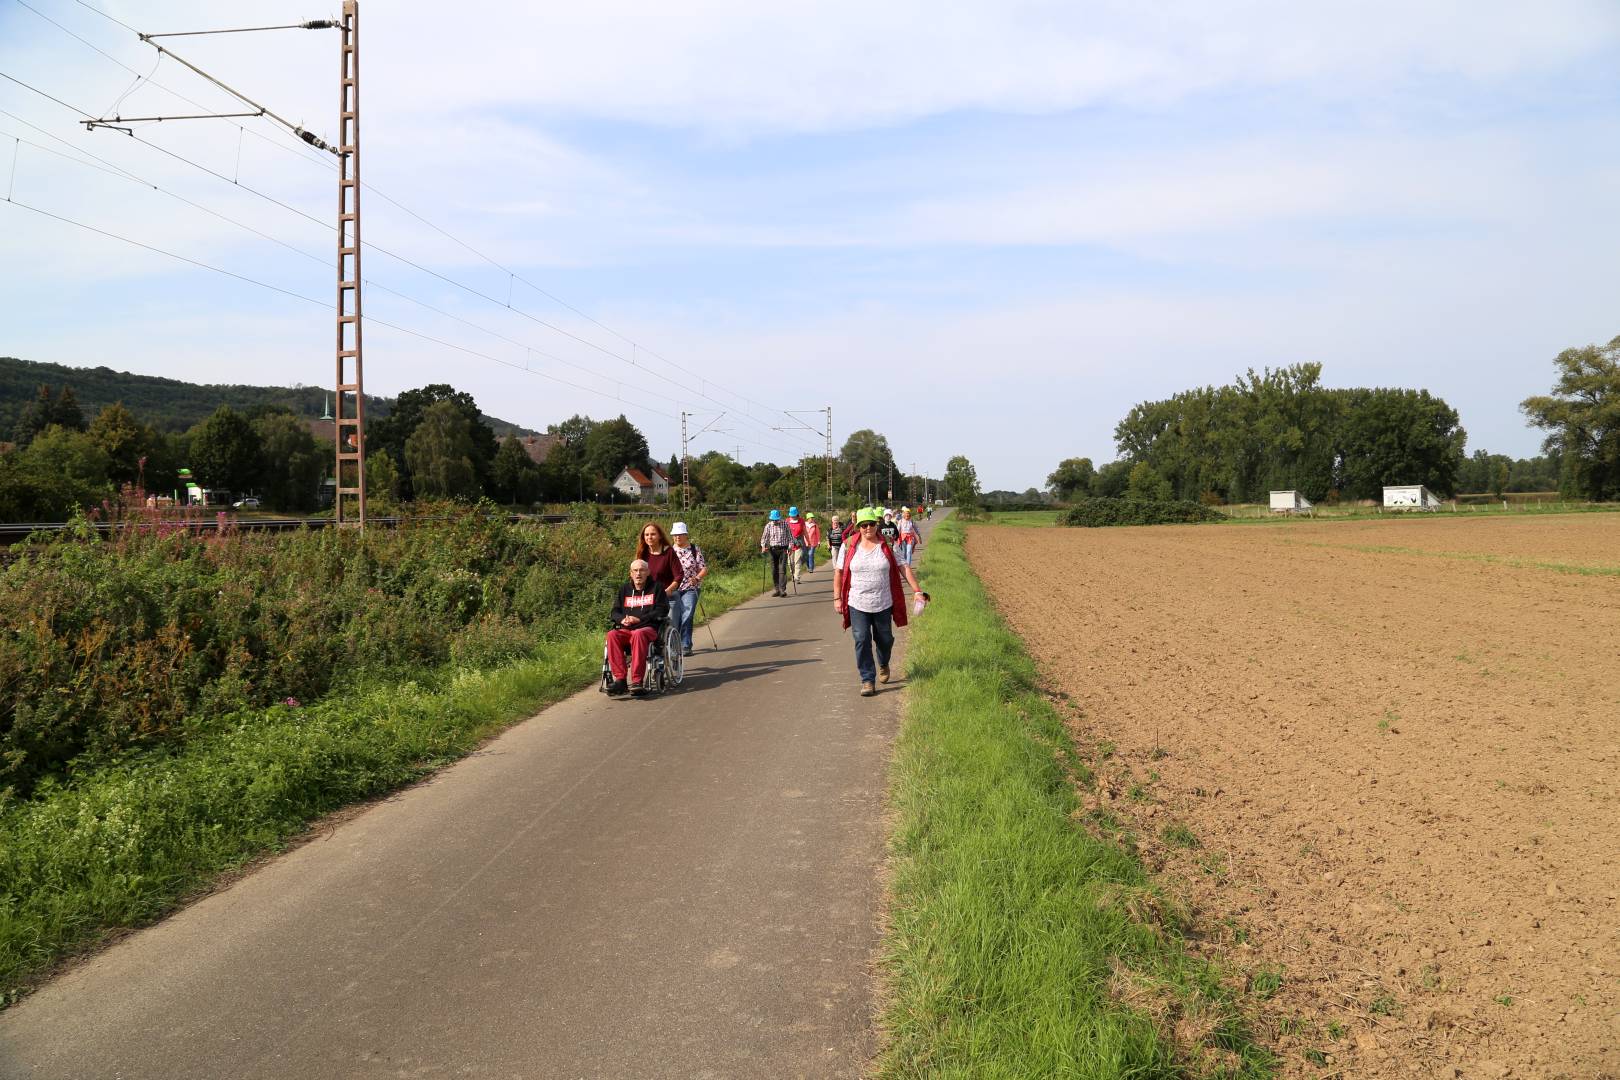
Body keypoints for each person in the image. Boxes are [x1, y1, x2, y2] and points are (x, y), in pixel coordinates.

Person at [833, 506, 923, 697]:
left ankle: (883, 662)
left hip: (883, 602)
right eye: (864, 525)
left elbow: (903, 566)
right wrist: (837, 598)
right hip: (857, 602)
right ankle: (867, 679)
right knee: (861, 639)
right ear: (858, 526)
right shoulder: (849, 545)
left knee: (885, 639)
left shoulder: (888, 544)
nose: (868, 528)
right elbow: (839, 572)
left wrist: (917, 590)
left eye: (871, 524)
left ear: (877, 524)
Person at [605, 558, 669, 696]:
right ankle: (620, 680)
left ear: (648, 572)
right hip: (627, 629)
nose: (638, 573)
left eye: (642, 570)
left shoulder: (656, 588)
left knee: (638, 633)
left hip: (649, 629)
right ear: (631, 573)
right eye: (635, 570)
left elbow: (662, 610)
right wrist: (622, 619)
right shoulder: (624, 589)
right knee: (612, 635)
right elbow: (614, 611)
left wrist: (639, 619)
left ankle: (637, 681)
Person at [669, 521, 707, 656]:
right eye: (675, 535)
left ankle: (686, 645)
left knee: (687, 614)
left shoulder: (694, 549)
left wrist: (697, 578)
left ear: (686, 535)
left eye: (680, 534)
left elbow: (703, 568)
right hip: (674, 588)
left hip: (691, 587)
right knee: (675, 618)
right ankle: (675, 643)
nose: (677, 537)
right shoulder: (669, 551)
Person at [636, 521, 683, 595]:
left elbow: (679, 575)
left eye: (653, 534)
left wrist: (669, 590)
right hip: (647, 598)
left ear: (660, 536)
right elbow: (636, 575)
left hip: (668, 599)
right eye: (647, 535)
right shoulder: (642, 553)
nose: (649, 537)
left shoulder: (669, 552)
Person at [760, 509, 791, 597]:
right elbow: (764, 538)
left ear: (779, 518)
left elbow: (790, 537)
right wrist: (763, 546)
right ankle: (777, 589)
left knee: (782, 569)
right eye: (773, 519)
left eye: (776, 519)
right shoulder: (768, 526)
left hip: (783, 549)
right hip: (772, 550)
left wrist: (790, 547)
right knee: (774, 570)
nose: (775, 521)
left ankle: (782, 590)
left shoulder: (785, 524)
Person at [785, 506, 808, 585]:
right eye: (791, 515)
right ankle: (793, 574)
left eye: (794, 515)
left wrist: (808, 541)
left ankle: (796, 577)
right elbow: (784, 533)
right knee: (790, 562)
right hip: (789, 544)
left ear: (797, 514)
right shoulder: (787, 521)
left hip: (799, 543)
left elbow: (805, 532)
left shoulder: (801, 521)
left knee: (797, 561)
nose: (792, 516)